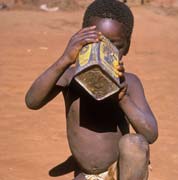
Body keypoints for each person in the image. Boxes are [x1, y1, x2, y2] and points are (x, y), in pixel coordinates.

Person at [25, 0, 158, 179]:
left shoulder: (130, 83)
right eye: (97, 44)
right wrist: (65, 59)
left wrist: (123, 99)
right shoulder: (70, 77)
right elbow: (32, 101)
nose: (106, 53)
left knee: (134, 143)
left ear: (128, 46)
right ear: (81, 41)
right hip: (87, 175)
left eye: (116, 46)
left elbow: (150, 134)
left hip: (118, 172)